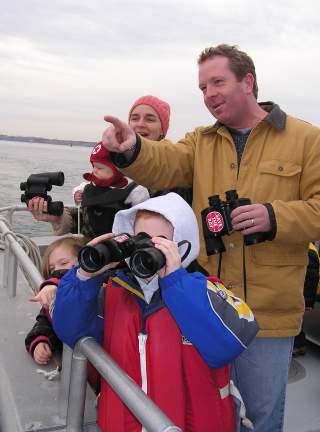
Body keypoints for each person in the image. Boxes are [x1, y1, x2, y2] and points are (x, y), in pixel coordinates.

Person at [99, 44, 320, 431]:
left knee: (262, 415)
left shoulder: (307, 139)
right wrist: (132, 148)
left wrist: (275, 216)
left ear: (247, 81)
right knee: (211, 409)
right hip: (208, 308)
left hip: (269, 314)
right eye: (202, 87)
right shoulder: (201, 141)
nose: (209, 94)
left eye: (217, 82)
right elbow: (165, 163)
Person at [52, 192, 259, 432]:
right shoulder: (115, 294)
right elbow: (70, 329)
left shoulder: (206, 292)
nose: (147, 246)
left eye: (160, 241)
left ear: (181, 244)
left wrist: (176, 281)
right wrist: (84, 277)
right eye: (140, 238)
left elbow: (228, 346)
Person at [27, 95, 171, 237]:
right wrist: (58, 217)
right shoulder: (115, 163)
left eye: (150, 119)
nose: (140, 123)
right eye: (134, 118)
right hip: (103, 253)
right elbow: (97, 219)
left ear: (163, 130)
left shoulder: (172, 172)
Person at [25, 236, 83, 365]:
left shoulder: (99, 287)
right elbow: (43, 324)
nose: (57, 270)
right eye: (51, 269)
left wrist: (52, 284)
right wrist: (40, 341)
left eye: (63, 263)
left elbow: (69, 276)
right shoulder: (53, 302)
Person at [293, 242, 320, 356]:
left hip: (305, 294)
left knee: (297, 319)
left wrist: (308, 302)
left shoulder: (309, 251)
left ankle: (299, 345)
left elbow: (311, 278)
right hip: (303, 292)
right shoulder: (308, 249)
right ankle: (299, 344)